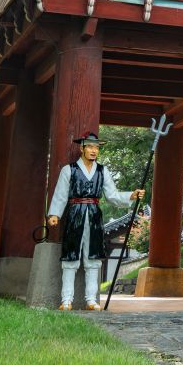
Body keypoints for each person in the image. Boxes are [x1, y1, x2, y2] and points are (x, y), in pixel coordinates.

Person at [46, 132, 144, 310]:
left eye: (96, 147)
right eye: (90, 147)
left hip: (94, 216)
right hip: (74, 214)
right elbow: (61, 194)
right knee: (70, 257)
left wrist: (131, 195)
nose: (94, 150)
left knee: (93, 258)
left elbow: (112, 195)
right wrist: (55, 214)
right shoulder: (69, 170)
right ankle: (66, 300)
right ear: (81, 148)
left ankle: (91, 300)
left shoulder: (102, 171)